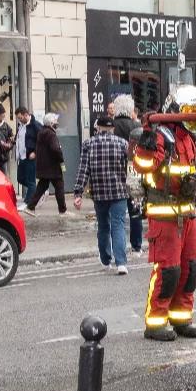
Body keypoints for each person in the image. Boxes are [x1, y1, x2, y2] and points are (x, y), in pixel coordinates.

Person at [133, 85, 196, 341]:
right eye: (189, 112)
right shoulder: (161, 135)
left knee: (190, 270)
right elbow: (142, 165)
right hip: (165, 214)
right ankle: (155, 322)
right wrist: (145, 140)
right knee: (169, 271)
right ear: (175, 109)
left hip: (187, 213)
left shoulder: (191, 139)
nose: (193, 118)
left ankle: (181, 319)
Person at [75, 115, 131, 275]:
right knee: (118, 225)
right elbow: (130, 168)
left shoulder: (88, 144)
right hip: (119, 191)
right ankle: (121, 263)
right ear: (112, 129)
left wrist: (78, 192)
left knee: (103, 226)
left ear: (97, 128)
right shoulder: (122, 144)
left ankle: (106, 259)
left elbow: (83, 170)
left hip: (99, 193)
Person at [111, 94, 144, 254]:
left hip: (115, 172)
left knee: (116, 215)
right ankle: (136, 245)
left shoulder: (111, 126)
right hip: (133, 171)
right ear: (130, 108)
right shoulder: (136, 126)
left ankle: (117, 246)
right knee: (135, 210)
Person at [22, 113, 66, 215]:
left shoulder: (42, 133)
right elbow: (56, 149)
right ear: (50, 123)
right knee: (59, 187)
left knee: (41, 187)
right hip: (53, 167)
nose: (56, 123)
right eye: (55, 121)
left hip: (43, 166)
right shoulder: (51, 134)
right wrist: (61, 159)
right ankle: (62, 211)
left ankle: (30, 207)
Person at [13, 106, 41, 206]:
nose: (19, 120)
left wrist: (35, 152)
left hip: (31, 157)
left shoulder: (35, 125)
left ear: (26, 115)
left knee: (31, 181)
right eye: (18, 118)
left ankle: (28, 203)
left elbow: (42, 141)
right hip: (22, 157)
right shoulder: (21, 126)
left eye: (20, 118)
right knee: (20, 178)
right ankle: (37, 191)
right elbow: (19, 139)